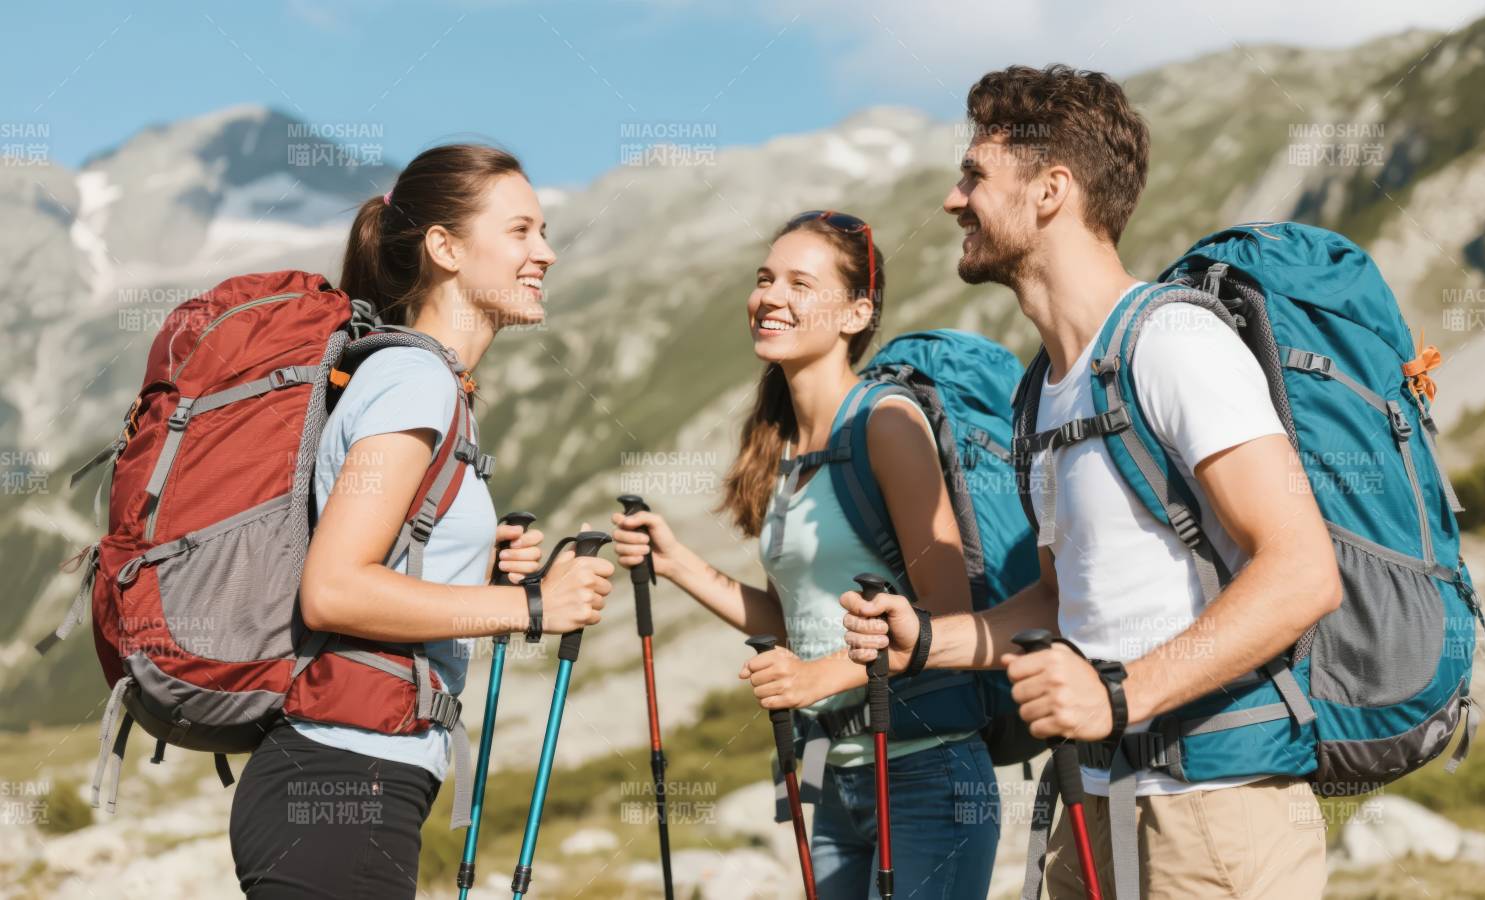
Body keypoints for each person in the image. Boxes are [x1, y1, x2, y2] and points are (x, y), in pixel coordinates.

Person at [840, 65, 1341, 899]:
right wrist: (930, 642)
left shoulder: (1173, 342)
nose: (952, 201)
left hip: (1213, 809)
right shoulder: (1044, 388)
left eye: (973, 176)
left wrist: (1120, 695)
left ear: (1050, 190)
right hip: (1094, 799)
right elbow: (1056, 602)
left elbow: (1300, 570)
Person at [229, 143, 615, 898]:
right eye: (521, 232)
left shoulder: (431, 383)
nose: (548, 252)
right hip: (341, 784)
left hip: (355, 779)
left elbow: (380, 554)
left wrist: (473, 564)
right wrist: (531, 605)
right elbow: (334, 592)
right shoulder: (414, 380)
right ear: (444, 248)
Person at [611, 210, 1001, 897]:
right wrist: (676, 564)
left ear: (856, 314)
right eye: (765, 279)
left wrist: (821, 678)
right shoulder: (779, 448)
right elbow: (798, 623)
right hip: (830, 772)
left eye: (799, 283)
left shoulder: (886, 422)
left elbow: (946, 610)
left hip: (927, 772)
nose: (770, 297)